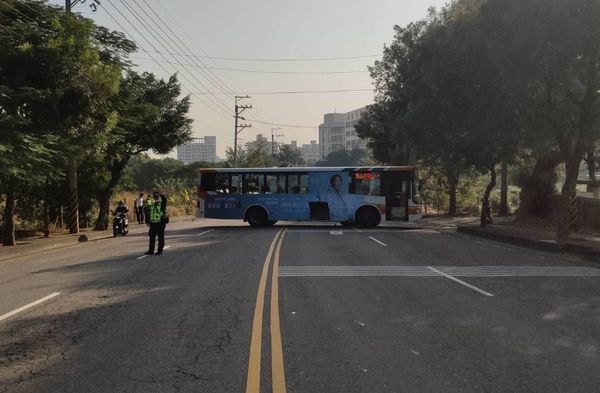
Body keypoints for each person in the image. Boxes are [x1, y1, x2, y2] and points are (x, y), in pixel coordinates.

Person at [145, 191, 168, 256]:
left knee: (160, 237)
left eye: (156, 196)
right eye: (154, 196)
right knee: (152, 237)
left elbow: (165, 200)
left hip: (160, 223)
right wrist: (147, 221)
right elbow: (149, 213)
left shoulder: (162, 204)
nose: (155, 197)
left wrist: (160, 194)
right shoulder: (152, 204)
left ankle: (160, 251)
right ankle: (151, 250)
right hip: (153, 223)